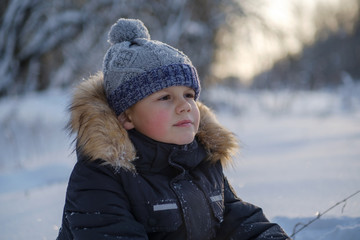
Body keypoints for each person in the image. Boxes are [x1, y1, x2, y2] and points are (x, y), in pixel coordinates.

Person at [57, 18, 290, 240]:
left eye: (189, 95)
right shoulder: (101, 177)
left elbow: (238, 221)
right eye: (165, 97)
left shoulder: (202, 161)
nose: (184, 106)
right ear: (127, 117)